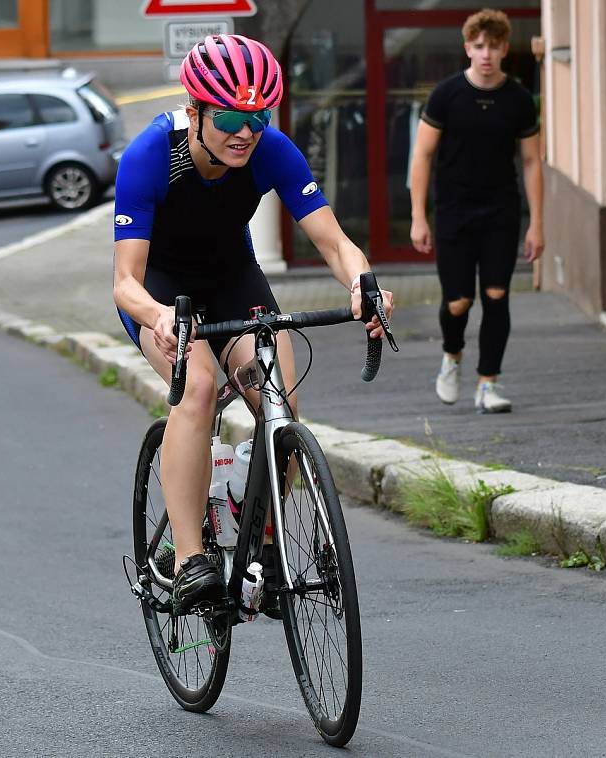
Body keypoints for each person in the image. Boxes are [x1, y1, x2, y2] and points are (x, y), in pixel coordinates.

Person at [112, 34, 393, 612]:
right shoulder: (151, 156)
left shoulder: (270, 149)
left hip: (231, 279)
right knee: (198, 388)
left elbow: (335, 243)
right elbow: (125, 282)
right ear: (195, 112)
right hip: (162, 292)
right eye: (231, 117)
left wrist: (362, 284)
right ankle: (191, 559)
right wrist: (159, 316)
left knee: (280, 402)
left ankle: (263, 543)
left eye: (258, 115)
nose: (246, 130)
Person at [409, 8, 544, 413]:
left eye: (494, 46)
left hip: (501, 210)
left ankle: (488, 383)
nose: (486, 54)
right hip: (453, 210)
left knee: (497, 295)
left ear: (504, 48)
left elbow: (533, 163)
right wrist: (418, 215)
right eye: (479, 46)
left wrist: (537, 223)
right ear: (468, 47)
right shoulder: (447, 95)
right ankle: (452, 355)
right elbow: (422, 155)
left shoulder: (519, 99)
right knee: (459, 301)